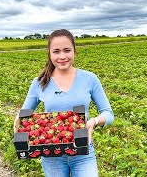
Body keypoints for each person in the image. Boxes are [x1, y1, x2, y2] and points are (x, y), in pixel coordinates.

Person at [21, 29, 114, 177]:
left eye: (67, 50)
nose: (62, 56)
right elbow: (24, 114)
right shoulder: (39, 82)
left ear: (74, 52)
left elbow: (108, 114)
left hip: (83, 152)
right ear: (50, 54)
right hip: (52, 154)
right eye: (56, 51)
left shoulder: (90, 78)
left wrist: (94, 122)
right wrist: (19, 122)